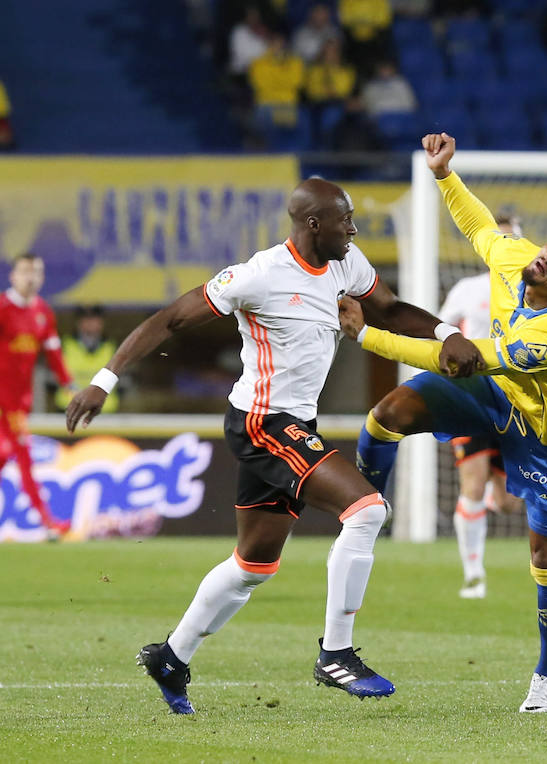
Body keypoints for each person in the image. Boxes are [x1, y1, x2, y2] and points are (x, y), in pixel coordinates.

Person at [65, 177, 482, 715]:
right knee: (367, 510)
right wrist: (104, 379)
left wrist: (447, 332)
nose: (354, 229)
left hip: (293, 422)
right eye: (345, 220)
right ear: (313, 225)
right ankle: (336, 654)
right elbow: (169, 319)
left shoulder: (344, 262)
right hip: (263, 422)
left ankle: (171, 656)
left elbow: (392, 308)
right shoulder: (258, 276)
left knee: (254, 563)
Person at [342, 133, 547, 713]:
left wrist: (366, 335)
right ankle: (365, 513)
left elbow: (457, 356)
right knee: (387, 415)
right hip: (493, 394)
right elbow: (480, 230)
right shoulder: (521, 260)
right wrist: (446, 175)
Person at [439, 213, 525, 599]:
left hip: (515, 402)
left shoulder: (532, 292)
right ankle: (474, 574)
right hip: (471, 397)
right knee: (471, 483)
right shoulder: (467, 289)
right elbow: (439, 331)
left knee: (508, 504)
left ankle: (495, 495)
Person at [0, 253, 75, 536]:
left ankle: (47, 523)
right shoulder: (3, 308)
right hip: (3, 402)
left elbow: (53, 352)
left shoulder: (43, 311)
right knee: (24, 457)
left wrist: (68, 383)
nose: (30, 277)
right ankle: (48, 523)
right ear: (13, 276)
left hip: (21, 402)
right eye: (25, 271)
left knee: (7, 456)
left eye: (36, 272)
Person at [56, 306, 120, 413]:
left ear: (101, 322)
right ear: (79, 322)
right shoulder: (65, 344)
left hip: (104, 411)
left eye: (94, 319)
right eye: (86, 320)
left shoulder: (111, 346)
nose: (90, 324)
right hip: (68, 407)